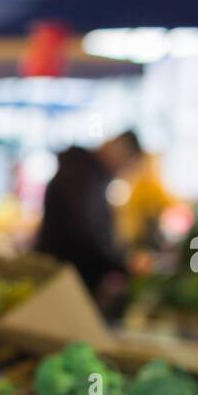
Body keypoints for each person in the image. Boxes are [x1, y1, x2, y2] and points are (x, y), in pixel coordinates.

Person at [33, 130, 144, 319]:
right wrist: (123, 263)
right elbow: (86, 231)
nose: (121, 170)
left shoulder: (89, 173)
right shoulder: (81, 174)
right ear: (119, 148)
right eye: (126, 164)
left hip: (66, 280)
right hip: (61, 281)